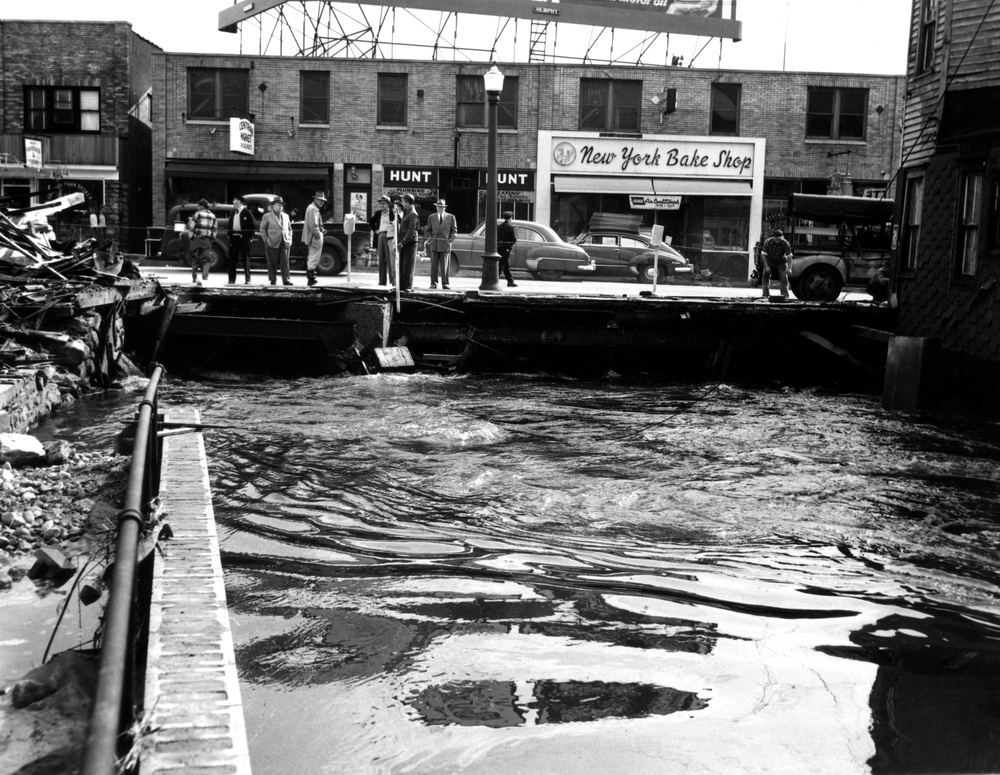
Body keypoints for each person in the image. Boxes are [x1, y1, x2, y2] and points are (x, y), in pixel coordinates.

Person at [259, 196, 293, 286]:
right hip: (272, 242)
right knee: (272, 262)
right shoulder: (267, 216)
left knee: (285, 262)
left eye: (281, 205)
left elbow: (290, 228)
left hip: (284, 242)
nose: (280, 207)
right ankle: (272, 279)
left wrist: (290, 238)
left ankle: (286, 280)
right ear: (273, 206)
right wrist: (266, 240)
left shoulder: (286, 216)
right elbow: (262, 229)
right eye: (278, 205)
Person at [425, 198, 457, 289]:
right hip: (435, 244)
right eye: (439, 207)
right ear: (436, 208)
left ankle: (445, 283)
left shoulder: (451, 217)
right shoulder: (431, 217)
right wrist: (430, 239)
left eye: (442, 207)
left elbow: (454, 231)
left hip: (445, 244)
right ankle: (433, 283)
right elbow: (428, 230)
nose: (440, 209)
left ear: (445, 208)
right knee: (434, 266)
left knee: (445, 266)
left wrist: (449, 241)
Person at [187, 198, 217, 287]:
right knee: (206, 259)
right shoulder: (213, 216)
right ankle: (205, 278)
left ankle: (194, 278)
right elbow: (214, 230)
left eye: (198, 205)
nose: (197, 206)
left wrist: (191, 237)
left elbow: (192, 227)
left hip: (196, 239)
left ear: (202, 206)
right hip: (207, 240)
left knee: (195, 258)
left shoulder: (198, 214)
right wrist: (211, 239)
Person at [227, 195, 256, 285]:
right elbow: (230, 224)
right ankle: (231, 279)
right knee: (232, 260)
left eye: (235, 202)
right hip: (234, 238)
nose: (234, 204)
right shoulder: (233, 213)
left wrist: (249, 237)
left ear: (240, 202)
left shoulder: (247, 212)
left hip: (244, 239)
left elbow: (253, 225)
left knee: (245, 259)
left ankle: (247, 279)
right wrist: (229, 234)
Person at [369, 195, 396, 286]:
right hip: (380, 236)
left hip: (390, 237)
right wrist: (375, 230)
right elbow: (371, 222)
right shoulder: (378, 213)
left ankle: (393, 281)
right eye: (381, 204)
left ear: (388, 204)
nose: (382, 205)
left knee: (390, 259)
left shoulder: (392, 213)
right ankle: (382, 281)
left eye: (383, 204)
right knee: (381, 259)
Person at [302, 191, 327, 287]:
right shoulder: (313, 209)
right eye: (320, 200)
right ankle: (311, 278)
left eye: (323, 201)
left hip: (314, 236)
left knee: (313, 256)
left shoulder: (313, 208)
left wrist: (321, 230)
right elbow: (313, 225)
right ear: (315, 199)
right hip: (314, 237)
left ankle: (311, 277)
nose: (322, 202)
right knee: (314, 257)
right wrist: (318, 234)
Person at [760, 228, 792, 300]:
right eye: (775, 238)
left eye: (779, 238)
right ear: (773, 237)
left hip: (781, 262)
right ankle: (765, 294)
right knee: (765, 276)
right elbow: (763, 255)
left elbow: (789, 257)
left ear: (782, 237)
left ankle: (785, 296)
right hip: (770, 261)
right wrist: (767, 266)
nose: (777, 240)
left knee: (784, 278)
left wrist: (789, 269)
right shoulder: (768, 242)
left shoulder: (785, 243)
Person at [397, 193, 420, 291]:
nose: (402, 203)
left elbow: (411, 230)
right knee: (402, 264)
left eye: (403, 201)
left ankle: (408, 286)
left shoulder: (412, 213)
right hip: (404, 242)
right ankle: (402, 286)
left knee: (408, 265)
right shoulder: (407, 212)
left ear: (407, 202)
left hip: (410, 243)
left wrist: (402, 242)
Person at [497, 211, 517, 287]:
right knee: (502, 264)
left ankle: (510, 281)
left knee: (506, 265)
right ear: (511, 218)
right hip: (506, 248)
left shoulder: (500, 226)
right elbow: (513, 239)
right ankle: (495, 279)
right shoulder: (510, 226)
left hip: (499, 247)